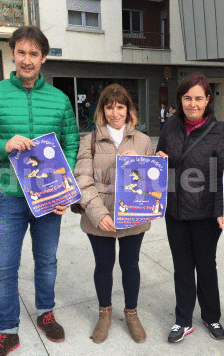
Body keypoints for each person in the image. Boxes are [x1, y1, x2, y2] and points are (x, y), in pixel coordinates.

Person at [0, 26, 80, 356]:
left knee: (46, 262)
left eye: (34, 54)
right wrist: (4, 144)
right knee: (3, 267)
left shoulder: (59, 99)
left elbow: (71, 143)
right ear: (12, 54)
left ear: (43, 58)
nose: (27, 60)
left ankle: (46, 314)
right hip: (8, 197)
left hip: (48, 198)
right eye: (21, 52)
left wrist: (65, 187)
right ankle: (8, 331)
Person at [155, 73, 224, 343]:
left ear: (207, 100)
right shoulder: (169, 128)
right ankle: (183, 320)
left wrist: (222, 210)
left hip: (206, 213)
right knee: (181, 266)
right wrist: (158, 161)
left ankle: (211, 316)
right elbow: (159, 163)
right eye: (187, 98)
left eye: (198, 98)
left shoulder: (221, 131)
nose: (193, 104)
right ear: (180, 99)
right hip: (175, 211)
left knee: (205, 265)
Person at [74, 84, 154, 344]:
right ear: (102, 109)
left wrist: (139, 165)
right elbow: (83, 180)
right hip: (100, 217)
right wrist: (98, 214)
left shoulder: (142, 140)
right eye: (109, 106)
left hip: (133, 216)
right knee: (104, 266)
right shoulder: (91, 140)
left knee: (130, 265)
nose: (115, 112)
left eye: (120, 106)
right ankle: (104, 313)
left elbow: (153, 182)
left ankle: (131, 313)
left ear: (129, 109)